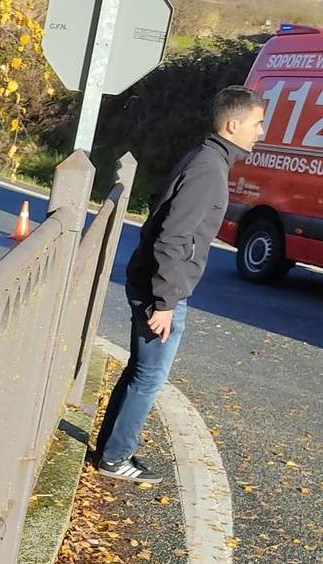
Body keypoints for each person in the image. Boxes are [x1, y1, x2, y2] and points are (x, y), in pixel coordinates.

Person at [96, 86, 266, 484]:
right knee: (149, 377)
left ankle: (110, 450)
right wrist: (166, 301)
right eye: (257, 123)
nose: (261, 131)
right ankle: (116, 457)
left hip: (155, 284)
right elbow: (173, 236)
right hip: (161, 290)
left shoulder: (205, 157)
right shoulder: (209, 167)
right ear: (233, 124)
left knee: (141, 371)